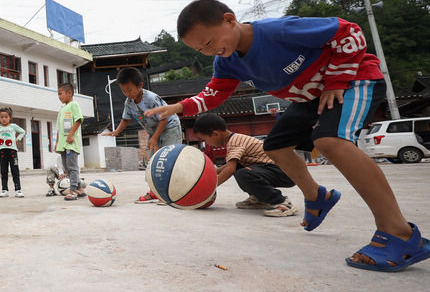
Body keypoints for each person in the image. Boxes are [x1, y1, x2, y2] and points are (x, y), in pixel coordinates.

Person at [145, 0, 430, 271]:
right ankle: (317, 196)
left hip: (354, 80)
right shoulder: (227, 62)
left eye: (209, 42)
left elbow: (349, 32)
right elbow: (215, 93)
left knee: (330, 141)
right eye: (201, 50)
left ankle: (399, 233)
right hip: (312, 97)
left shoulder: (278, 30)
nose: (208, 51)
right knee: (276, 146)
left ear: (229, 20)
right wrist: (180, 106)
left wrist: (337, 79)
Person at [101, 67, 183, 204]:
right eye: (123, 91)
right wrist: (117, 132)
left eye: (130, 89)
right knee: (153, 162)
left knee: (169, 159)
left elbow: (164, 119)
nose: (127, 93)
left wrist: (155, 138)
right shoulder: (129, 103)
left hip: (169, 127)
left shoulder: (151, 99)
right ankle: (155, 192)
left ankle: (172, 192)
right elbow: (126, 119)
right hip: (154, 132)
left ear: (139, 85)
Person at [192, 113, 297, 216]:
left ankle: (281, 202)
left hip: (284, 172)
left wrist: (208, 190)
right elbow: (229, 166)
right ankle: (260, 198)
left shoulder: (234, 142)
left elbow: (230, 169)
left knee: (243, 174)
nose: (207, 143)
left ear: (215, 134)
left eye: (205, 139)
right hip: (275, 169)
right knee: (239, 167)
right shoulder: (235, 139)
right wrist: (210, 173)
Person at [56, 83, 85, 201]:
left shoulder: (74, 105)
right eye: (58, 94)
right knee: (67, 168)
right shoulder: (62, 109)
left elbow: (78, 120)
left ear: (69, 93)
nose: (59, 96)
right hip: (63, 144)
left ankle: (73, 191)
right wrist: (57, 142)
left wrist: (71, 134)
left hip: (71, 143)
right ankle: (80, 189)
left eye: (60, 93)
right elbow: (59, 128)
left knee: (72, 167)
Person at [0, 107, 27, 198]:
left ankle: (18, 190)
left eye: (6, 117)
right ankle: (4, 190)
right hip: (2, 151)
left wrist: (18, 139)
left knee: (15, 170)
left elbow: (23, 131)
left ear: (10, 117)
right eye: (1, 117)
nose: (4, 119)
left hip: (13, 151)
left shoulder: (13, 126)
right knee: (3, 171)